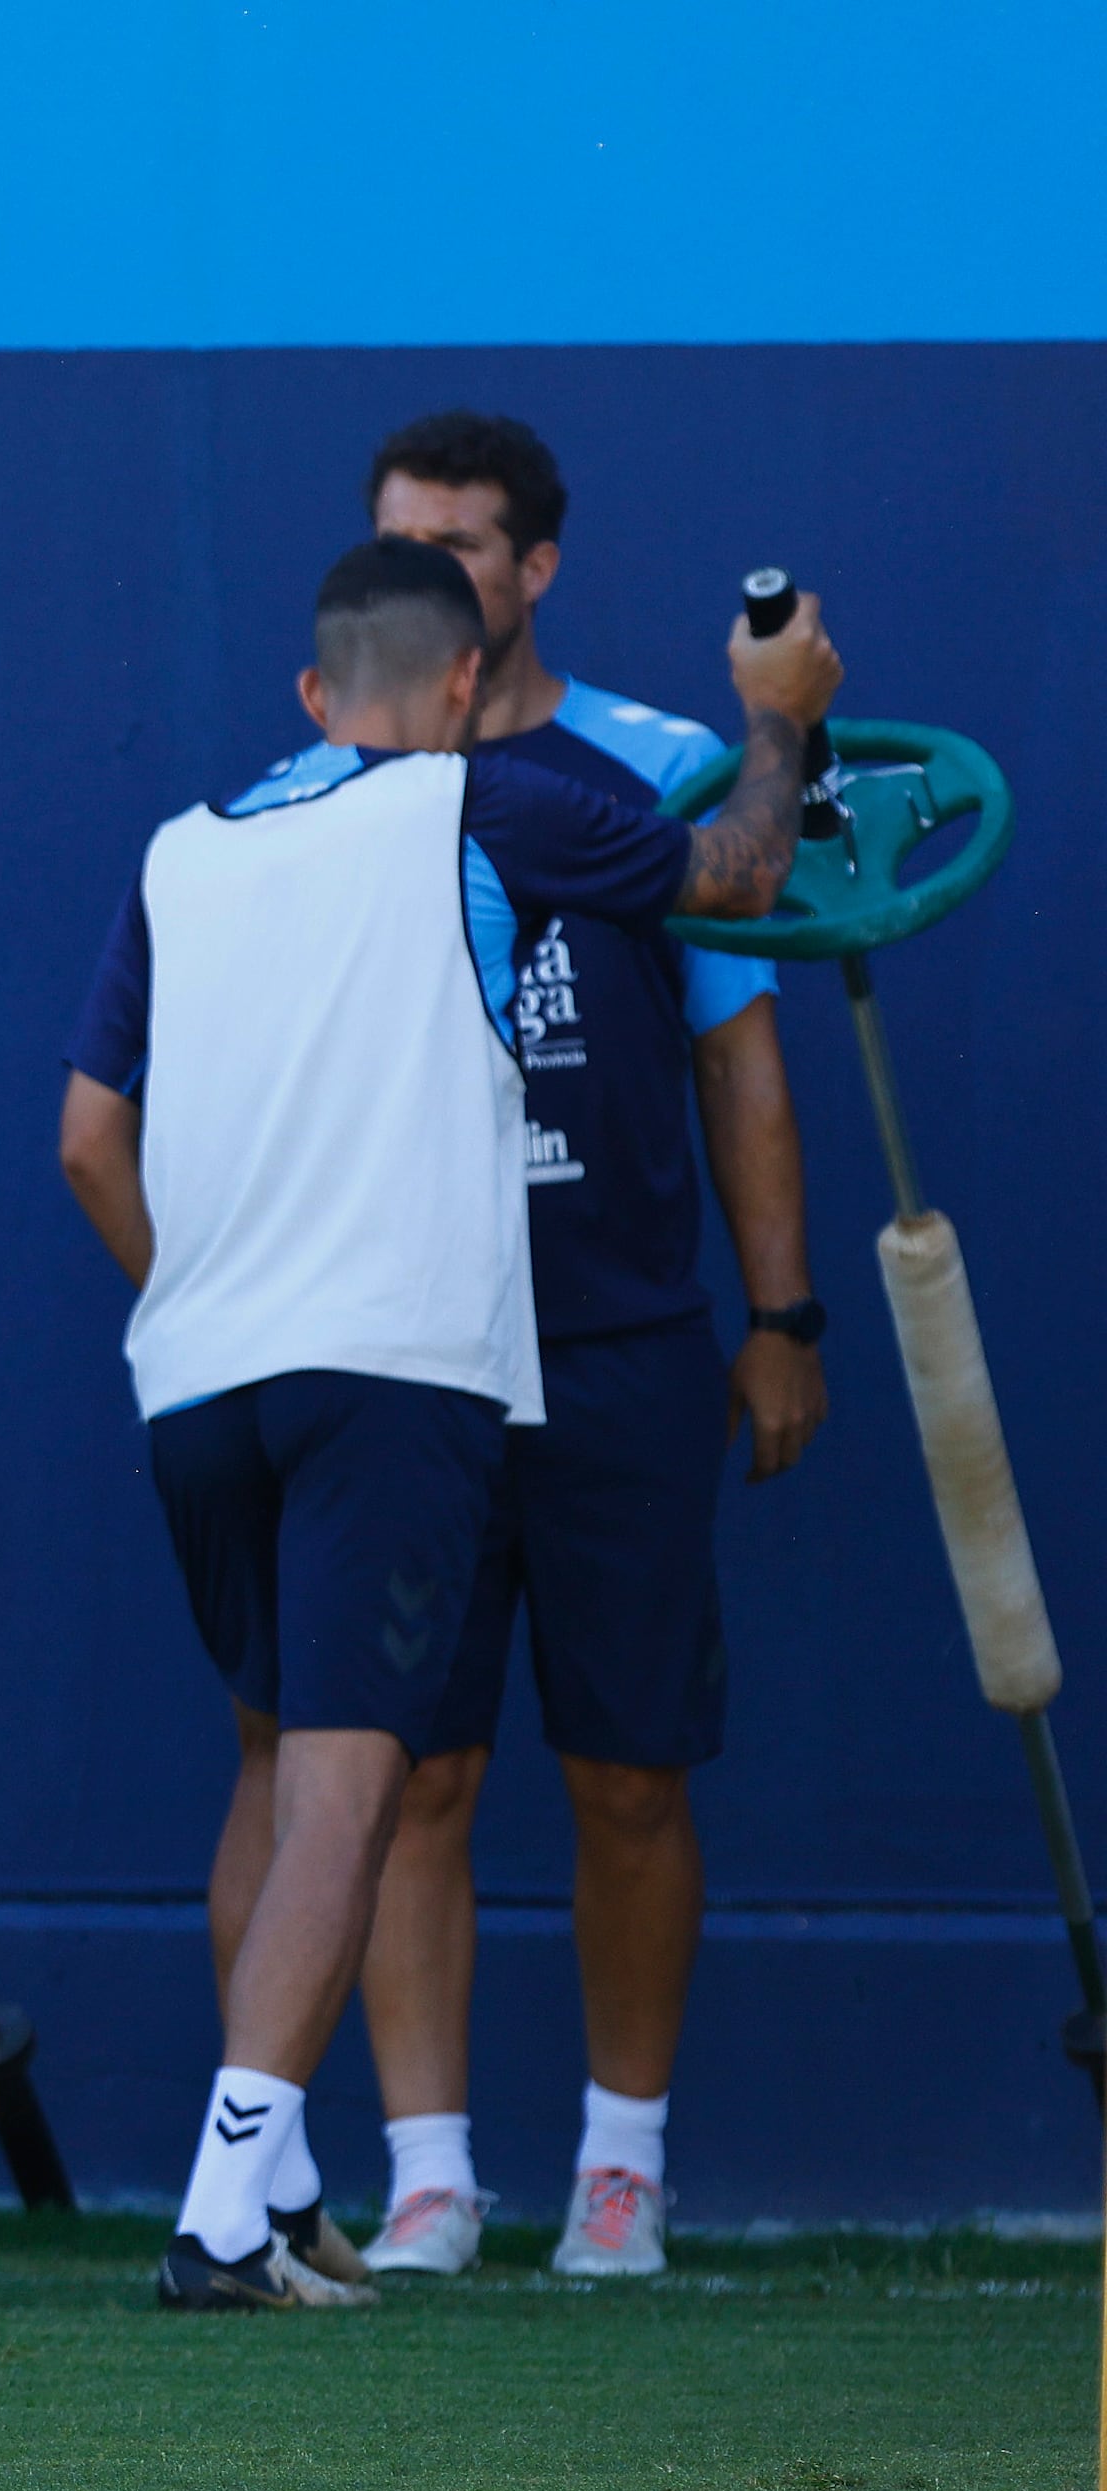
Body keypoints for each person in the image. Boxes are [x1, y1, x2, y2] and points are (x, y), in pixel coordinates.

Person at [55, 533, 834, 2312]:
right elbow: (738, 866)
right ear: (471, 686)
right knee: (352, 1775)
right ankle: (225, 2208)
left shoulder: (182, 851)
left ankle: (300, 2188)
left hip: (195, 1379)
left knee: (272, 1762)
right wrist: (776, 717)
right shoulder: (482, 803)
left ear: (315, 697)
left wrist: (209, 1294)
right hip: (385, 1378)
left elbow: (90, 1139)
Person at [346, 414, 829, 2282]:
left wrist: (782, 1316)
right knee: (414, 1775)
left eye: (459, 543)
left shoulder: (654, 765)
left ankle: (622, 2166)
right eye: (395, 541)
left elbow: (741, 1051)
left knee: (630, 1773)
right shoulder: (326, 784)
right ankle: (430, 2174)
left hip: (623, 1342)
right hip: (411, 1356)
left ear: (534, 567)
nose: (425, 572)